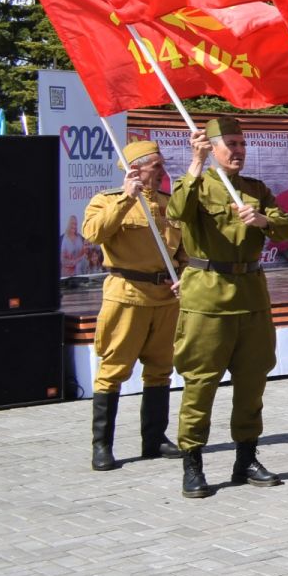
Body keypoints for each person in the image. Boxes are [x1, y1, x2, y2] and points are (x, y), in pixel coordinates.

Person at [169, 116, 288, 499]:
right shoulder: (196, 184)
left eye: (241, 144)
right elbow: (177, 212)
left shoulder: (255, 189)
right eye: (230, 144)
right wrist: (195, 163)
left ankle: (246, 458)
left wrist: (263, 219)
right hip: (207, 295)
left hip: (251, 295)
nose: (238, 151)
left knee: (252, 381)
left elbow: (287, 226)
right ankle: (193, 462)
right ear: (211, 148)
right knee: (201, 382)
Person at [81, 140, 185, 470]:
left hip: (165, 297)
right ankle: (102, 445)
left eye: (162, 164)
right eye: (156, 165)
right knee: (113, 372)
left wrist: (185, 274)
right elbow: (93, 233)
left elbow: (181, 250)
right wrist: (127, 198)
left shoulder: (170, 205)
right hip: (126, 295)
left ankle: (154, 439)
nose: (162, 171)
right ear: (135, 170)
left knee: (160, 371)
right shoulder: (107, 200)